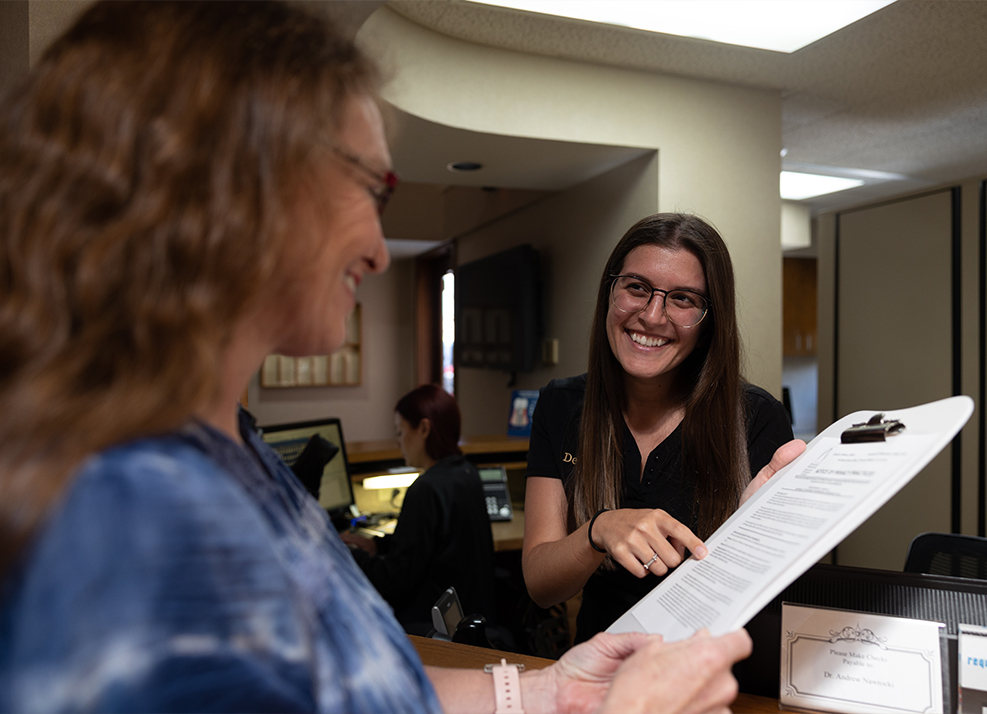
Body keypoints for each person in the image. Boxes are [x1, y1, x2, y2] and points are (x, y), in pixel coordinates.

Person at [0, 3, 756, 712]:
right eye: (370, 187)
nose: (376, 248)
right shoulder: (119, 512)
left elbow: (353, 684)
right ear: (233, 186)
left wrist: (546, 693)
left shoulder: (235, 452)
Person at [523, 213, 805, 642]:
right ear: (610, 292)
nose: (653, 316)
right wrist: (598, 530)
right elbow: (541, 586)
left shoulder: (757, 418)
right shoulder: (561, 406)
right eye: (637, 288)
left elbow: (774, 603)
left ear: (710, 320)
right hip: (600, 675)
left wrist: (742, 538)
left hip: (708, 680)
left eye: (683, 299)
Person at [341, 384, 497, 634]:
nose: (398, 442)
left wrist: (351, 555)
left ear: (423, 428)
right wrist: (378, 545)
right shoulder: (467, 473)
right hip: (468, 615)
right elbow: (428, 547)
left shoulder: (426, 489)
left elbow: (395, 579)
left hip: (431, 624)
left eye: (400, 432)